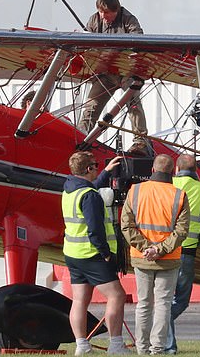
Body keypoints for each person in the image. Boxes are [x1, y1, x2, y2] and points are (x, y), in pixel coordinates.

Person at [121, 154, 189, 355]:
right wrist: (159, 249)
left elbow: (126, 225)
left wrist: (146, 248)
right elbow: (181, 231)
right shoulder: (179, 195)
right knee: (163, 305)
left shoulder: (135, 191)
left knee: (144, 304)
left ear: (152, 170)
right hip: (168, 259)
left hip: (142, 258)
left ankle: (142, 348)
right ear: (173, 172)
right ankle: (157, 348)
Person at [62, 151, 129, 355]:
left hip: (73, 253)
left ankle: (82, 346)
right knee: (117, 295)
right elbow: (95, 228)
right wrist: (106, 252)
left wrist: (106, 173)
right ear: (89, 169)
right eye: (96, 165)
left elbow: (88, 189)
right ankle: (116, 345)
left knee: (80, 300)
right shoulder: (90, 196)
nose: (98, 167)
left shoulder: (70, 189)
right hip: (92, 254)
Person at [80, 0, 149, 155]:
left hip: (126, 71)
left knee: (133, 102)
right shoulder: (94, 20)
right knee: (91, 105)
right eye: (101, 12)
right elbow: (84, 42)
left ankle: (140, 142)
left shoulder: (128, 19)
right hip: (106, 72)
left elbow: (139, 40)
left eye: (107, 13)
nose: (103, 16)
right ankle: (81, 136)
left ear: (116, 10)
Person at [165, 154, 200, 354]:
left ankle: (160, 326)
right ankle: (168, 343)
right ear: (196, 170)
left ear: (176, 169)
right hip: (189, 252)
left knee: (163, 301)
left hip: (166, 249)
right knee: (182, 301)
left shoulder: (169, 185)